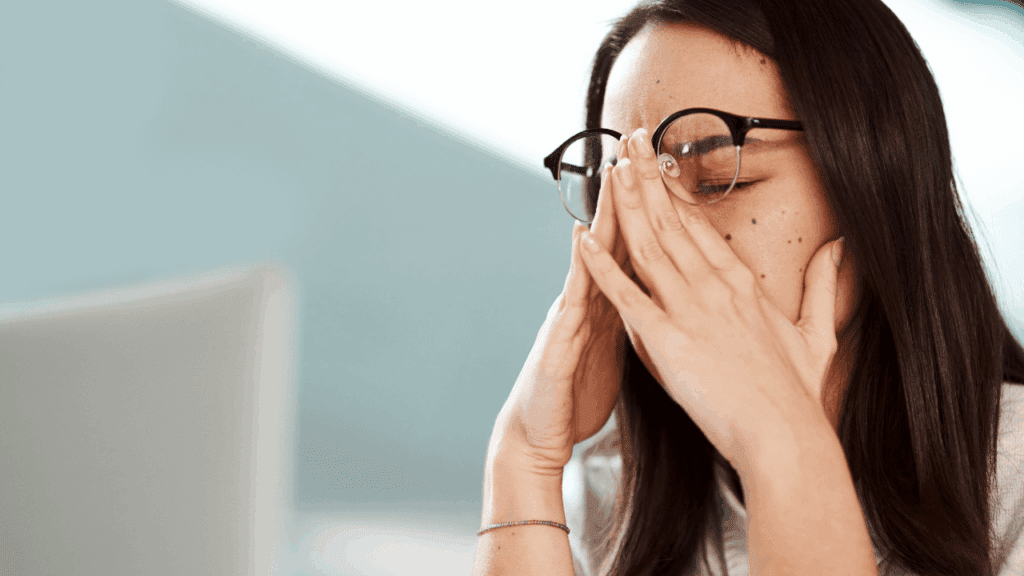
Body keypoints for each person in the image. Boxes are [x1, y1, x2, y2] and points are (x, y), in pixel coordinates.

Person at [470, 0, 1024, 574]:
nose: (650, 240)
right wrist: (524, 460)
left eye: (716, 178)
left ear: (875, 184)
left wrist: (782, 444)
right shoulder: (613, 495)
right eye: (623, 190)